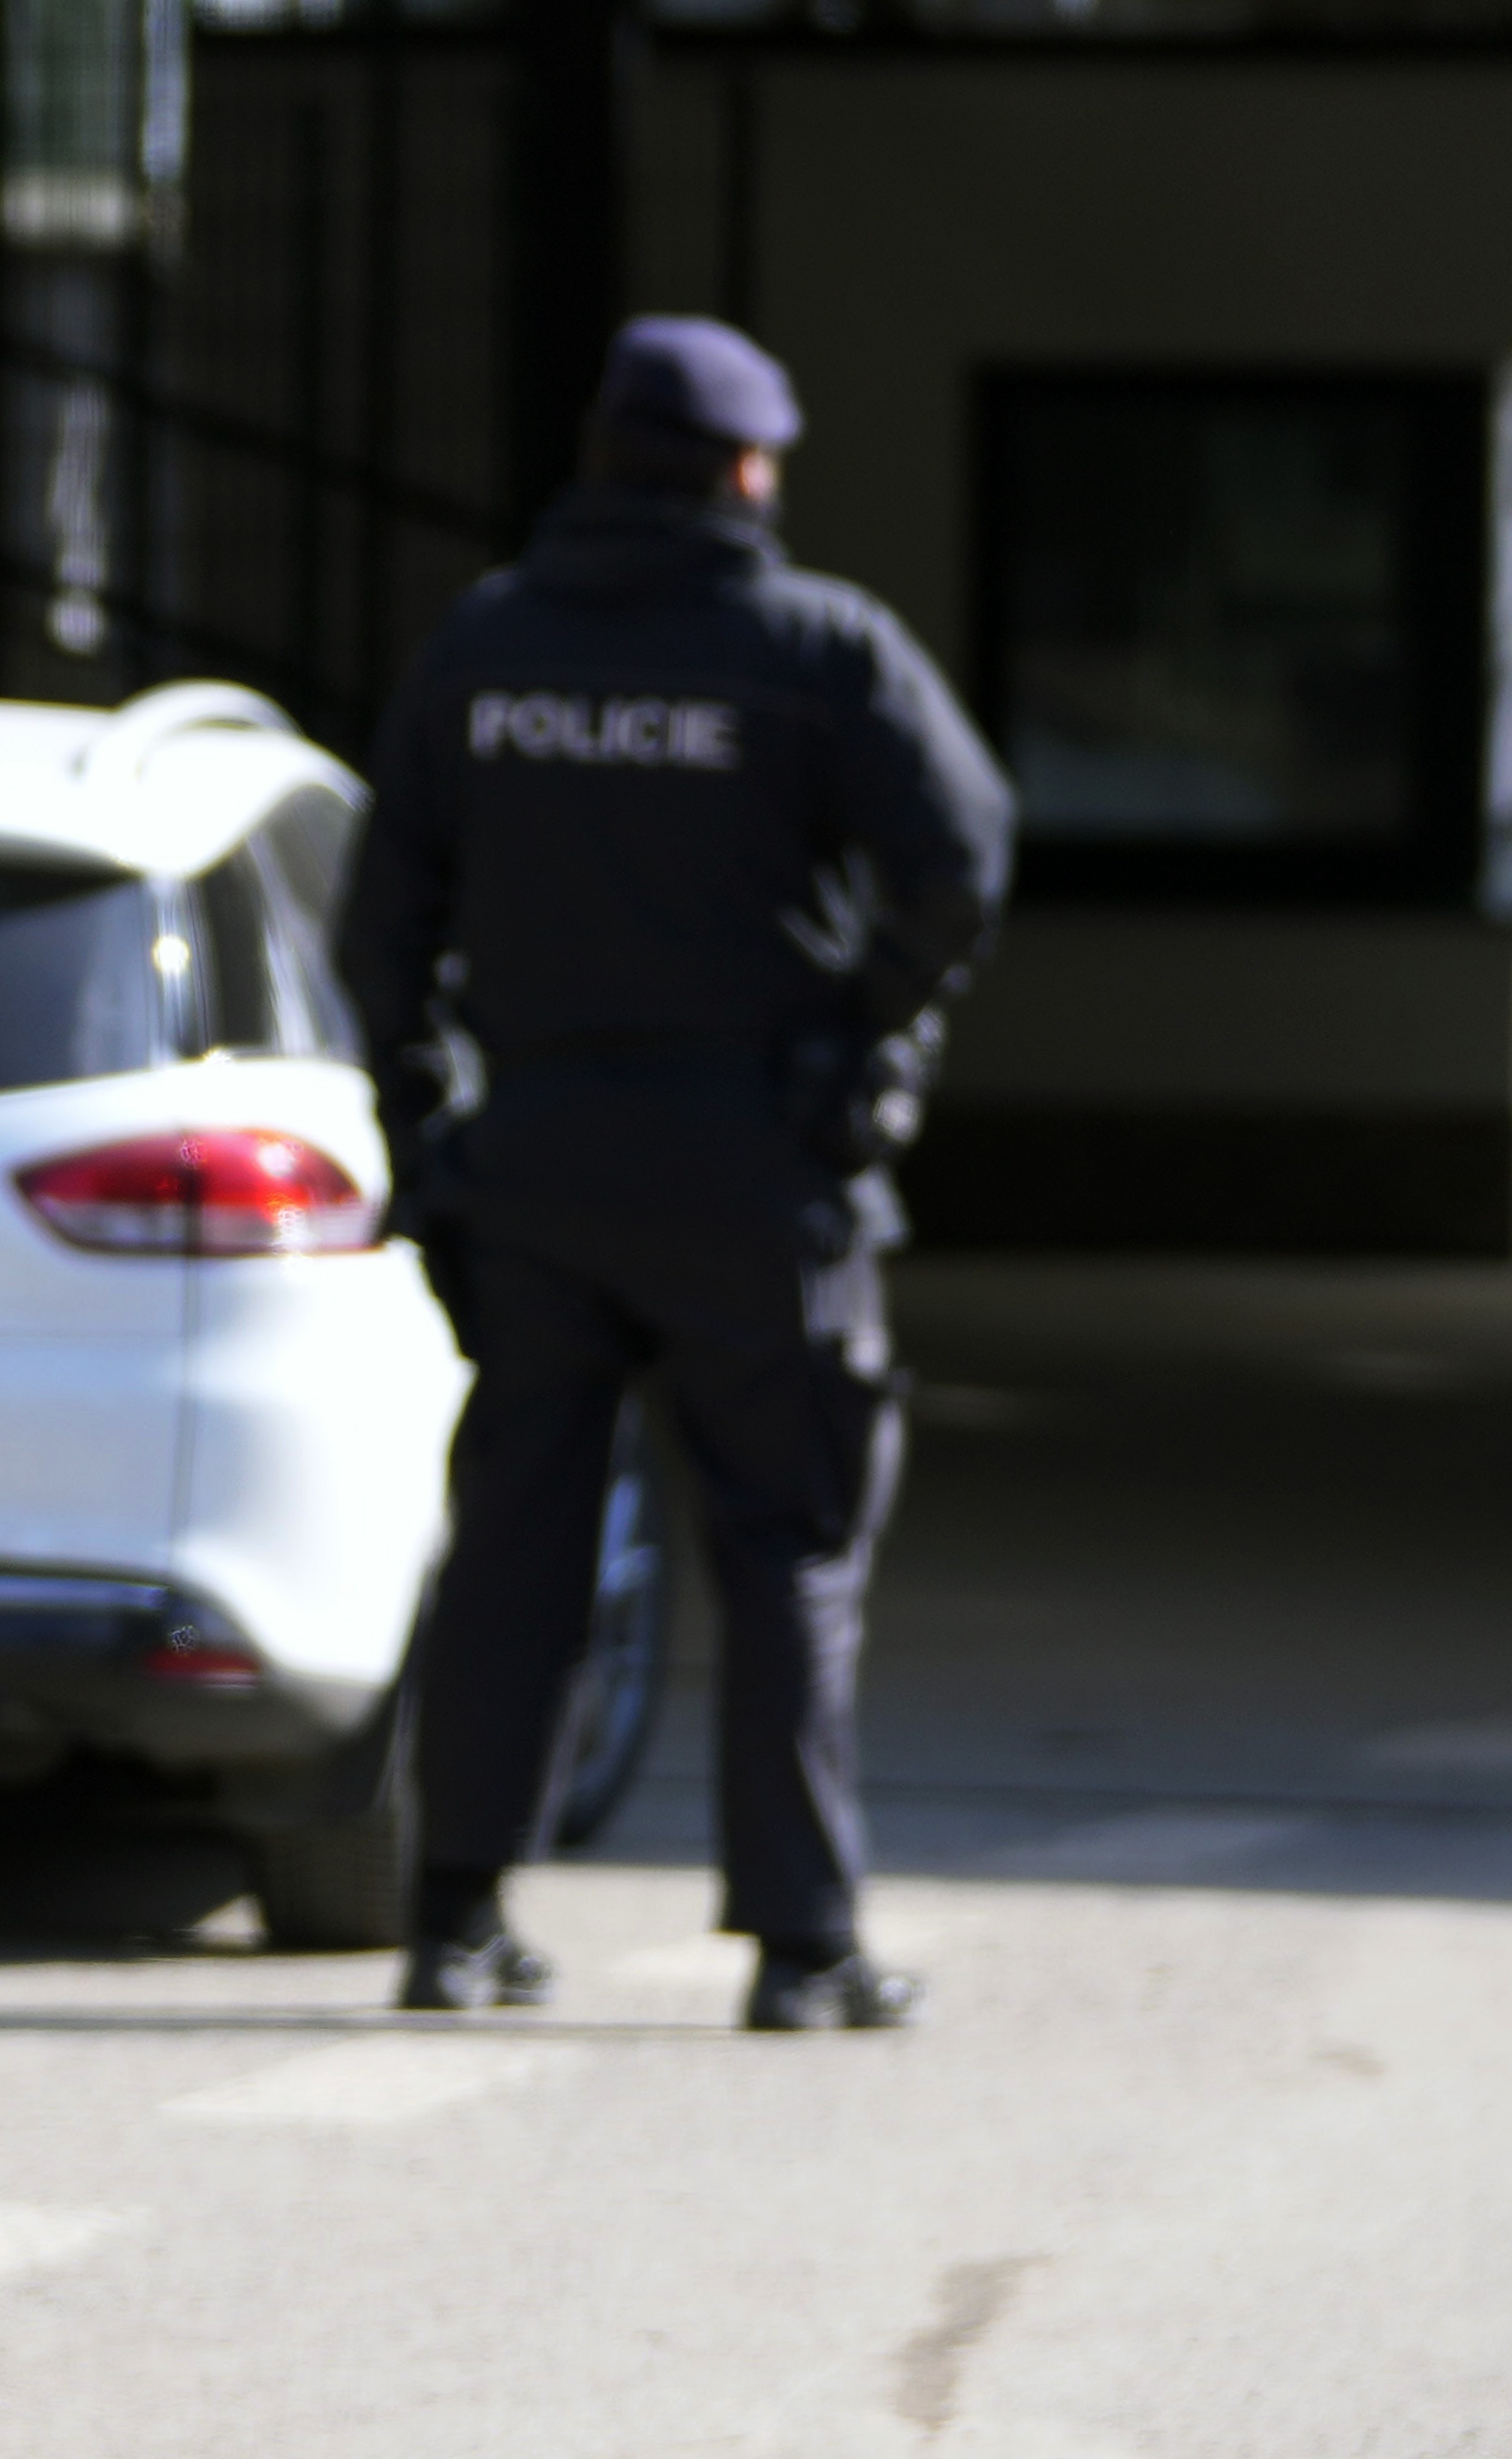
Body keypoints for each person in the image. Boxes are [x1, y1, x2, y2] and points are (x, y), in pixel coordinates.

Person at [339, 320, 1011, 2034]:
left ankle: (455, 1918)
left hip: (542, 1163)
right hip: (751, 1171)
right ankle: (801, 1950)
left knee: (519, 1548)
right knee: (791, 1541)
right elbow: (962, 854)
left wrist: (434, 1136)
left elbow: (381, 921)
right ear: (740, 470)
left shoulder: (488, 645)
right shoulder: (810, 645)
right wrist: (861, 1050)